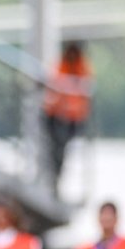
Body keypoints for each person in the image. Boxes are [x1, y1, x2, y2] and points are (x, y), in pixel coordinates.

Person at [44, 41, 94, 190]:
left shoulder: (83, 68)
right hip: (56, 115)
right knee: (55, 148)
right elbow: (54, 85)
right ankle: (53, 175)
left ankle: (57, 175)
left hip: (73, 118)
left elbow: (86, 89)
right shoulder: (61, 66)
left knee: (62, 148)